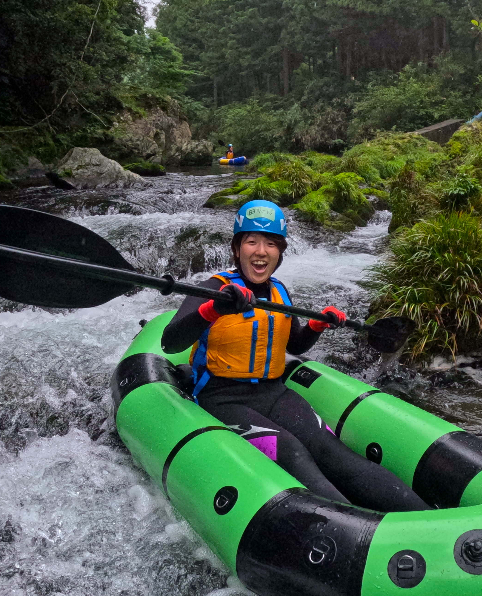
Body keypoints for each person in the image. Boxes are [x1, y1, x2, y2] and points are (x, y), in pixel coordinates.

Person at [161, 200, 431, 513]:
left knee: (329, 449)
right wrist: (214, 308)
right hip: (221, 398)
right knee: (291, 452)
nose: (261, 251)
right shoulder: (214, 288)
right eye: (252, 241)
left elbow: (296, 346)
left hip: (273, 392)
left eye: (271, 244)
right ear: (237, 249)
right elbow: (170, 342)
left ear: (279, 253)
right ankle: (365, 534)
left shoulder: (280, 292)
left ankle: (428, 518)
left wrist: (316, 326)